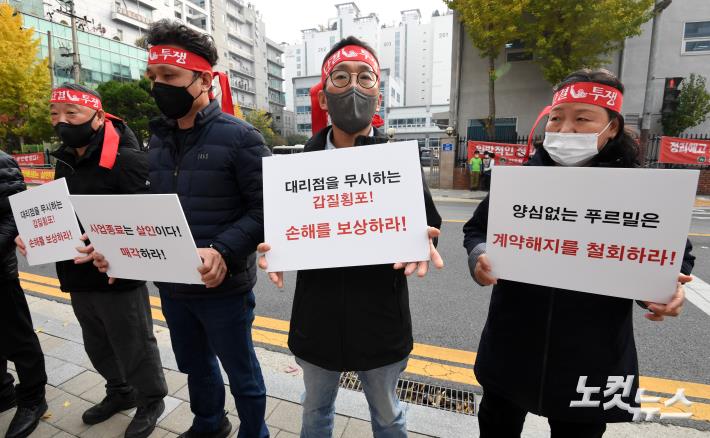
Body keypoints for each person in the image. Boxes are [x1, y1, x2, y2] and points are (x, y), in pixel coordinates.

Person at [462, 69, 695, 438]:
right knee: (496, 425)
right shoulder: (522, 182)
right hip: (511, 345)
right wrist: (479, 256)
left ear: (613, 128)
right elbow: (476, 229)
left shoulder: (642, 191)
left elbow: (674, 256)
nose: (565, 129)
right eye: (557, 118)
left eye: (582, 118)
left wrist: (666, 289)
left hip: (592, 356)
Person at [257, 36, 444, 438]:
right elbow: (279, 233)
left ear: (378, 94)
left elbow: (430, 226)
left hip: (381, 320)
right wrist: (272, 251)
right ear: (323, 98)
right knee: (315, 412)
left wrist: (425, 242)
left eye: (365, 77)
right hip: (317, 319)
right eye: (341, 77)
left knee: (388, 416)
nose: (354, 87)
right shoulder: (296, 170)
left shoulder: (400, 165)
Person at [93, 20, 271, 438]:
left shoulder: (242, 138)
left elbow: (266, 209)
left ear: (204, 79)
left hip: (223, 289)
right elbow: (153, 212)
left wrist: (223, 251)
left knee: (241, 370)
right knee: (194, 364)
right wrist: (117, 250)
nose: (158, 87)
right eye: (153, 77)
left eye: (170, 76)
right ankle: (209, 423)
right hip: (173, 286)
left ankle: (255, 432)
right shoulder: (157, 140)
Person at [15, 83, 168, 438]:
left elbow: (145, 220)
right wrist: (32, 232)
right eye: (55, 115)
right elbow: (60, 209)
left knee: (133, 341)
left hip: (118, 270)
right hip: (76, 268)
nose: (62, 122)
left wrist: (112, 248)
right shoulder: (65, 158)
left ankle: (150, 399)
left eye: (72, 114)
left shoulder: (127, 160)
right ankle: (119, 391)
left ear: (98, 117)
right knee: (96, 341)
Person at [0, 151, 48, 438]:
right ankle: (3, 391)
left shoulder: (3, 162)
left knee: (18, 338)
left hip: (0, 274)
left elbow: (16, 215)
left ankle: (32, 399)